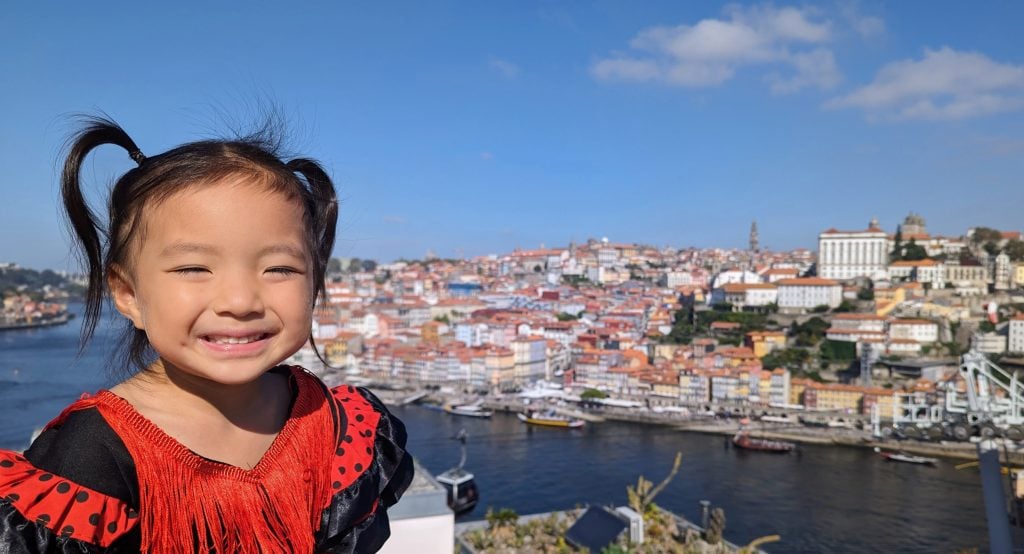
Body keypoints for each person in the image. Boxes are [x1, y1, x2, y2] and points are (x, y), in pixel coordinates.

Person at [0, 117, 413, 553]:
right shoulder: (89, 458)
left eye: (280, 269)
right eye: (193, 268)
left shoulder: (341, 425)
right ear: (127, 294)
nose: (240, 300)